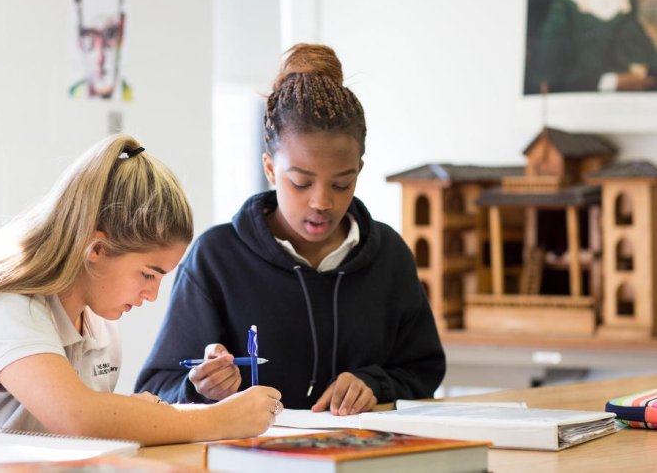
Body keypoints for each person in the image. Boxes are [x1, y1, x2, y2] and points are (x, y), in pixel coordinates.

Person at [135, 44, 446, 415]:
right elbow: (156, 388)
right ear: (270, 169)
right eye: (301, 183)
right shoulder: (216, 259)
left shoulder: (389, 255)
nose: (322, 202)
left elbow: (424, 370)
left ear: (359, 172)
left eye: (342, 184)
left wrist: (374, 384)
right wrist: (199, 387)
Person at [0, 134, 281, 443]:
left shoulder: (100, 326)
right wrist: (221, 420)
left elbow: (86, 424)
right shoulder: (6, 304)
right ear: (97, 249)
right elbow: (77, 416)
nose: (152, 295)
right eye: (148, 274)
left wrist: (143, 414)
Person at [532, 0, 657, 92]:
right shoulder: (567, 1)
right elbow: (550, 68)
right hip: (584, 99)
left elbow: (641, 50)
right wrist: (610, 82)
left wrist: (643, 73)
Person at [69, 0, 132, 101]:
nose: (100, 57)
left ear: (122, 28)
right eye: (89, 37)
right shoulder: (72, 97)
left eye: (110, 34)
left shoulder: (134, 98)